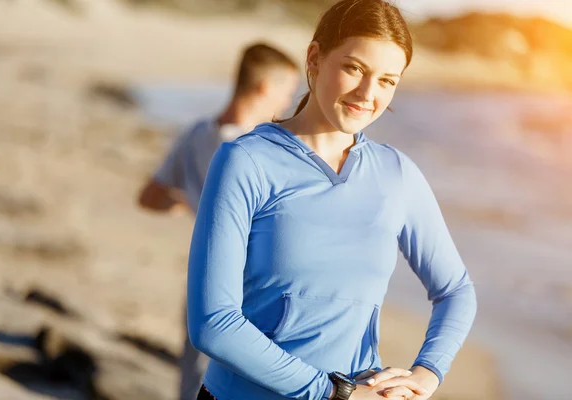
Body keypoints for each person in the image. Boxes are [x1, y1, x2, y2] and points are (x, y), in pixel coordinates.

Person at [187, 1, 477, 400]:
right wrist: (333, 393)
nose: (367, 94)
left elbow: (455, 290)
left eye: (387, 81)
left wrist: (427, 372)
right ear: (315, 58)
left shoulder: (397, 174)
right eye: (354, 68)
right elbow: (213, 324)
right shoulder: (246, 160)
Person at [137, 43, 299, 400]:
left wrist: (192, 203)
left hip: (203, 276)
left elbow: (149, 196)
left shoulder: (197, 133)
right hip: (249, 287)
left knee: (195, 378)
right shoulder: (254, 150)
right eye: (287, 92)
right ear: (263, 88)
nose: (288, 104)